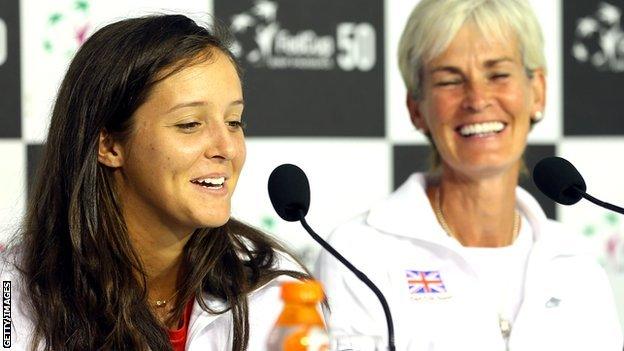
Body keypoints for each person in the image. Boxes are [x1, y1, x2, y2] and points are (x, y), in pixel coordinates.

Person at [316, 0, 623, 350]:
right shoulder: (357, 252)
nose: (477, 99)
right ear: (416, 108)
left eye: (498, 74)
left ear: (537, 91)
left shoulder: (576, 263)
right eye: (450, 80)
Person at [0, 14, 307, 351]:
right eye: (190, 124)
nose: (228, 148)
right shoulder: (12, 295)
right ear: (109, 144)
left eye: (234, 121)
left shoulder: (276, 290)